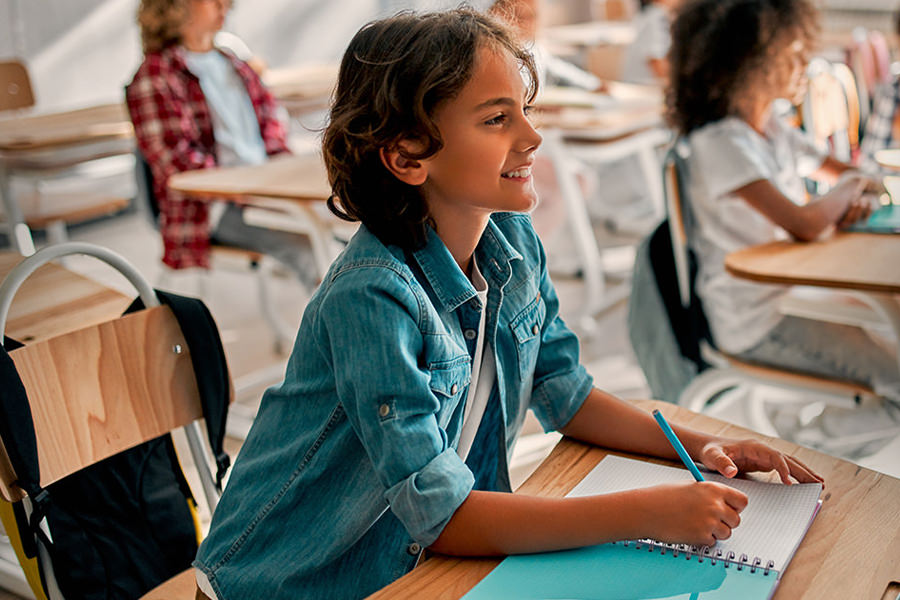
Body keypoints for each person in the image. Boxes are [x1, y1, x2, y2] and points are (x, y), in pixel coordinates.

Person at [193, 9, 822, 600]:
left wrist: (706, 447)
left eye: (524, 110)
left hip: (410, 558)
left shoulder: (511, 239)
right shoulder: (371, 295)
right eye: (497, 119)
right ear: (408, 155)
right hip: (291, 582)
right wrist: (650, 513)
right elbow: (443, 518)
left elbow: (565, 392)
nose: (532, 135)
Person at [666, 0, 899, 399]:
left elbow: (843, 175)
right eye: (791, 55)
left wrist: (853, 194)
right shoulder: (720, 145)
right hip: (758, 321)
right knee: (895, 373)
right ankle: (832, 443)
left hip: (795, 293)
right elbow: (805, 222)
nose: (804, 64)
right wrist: (849, 191)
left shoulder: (772, 127)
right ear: (747, 66)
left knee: (887, 325)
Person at [126, 0, 315, 284]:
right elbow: (178, 164)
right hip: (214, 208)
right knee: (310, 250)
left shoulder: (234, 65)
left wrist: (281, 174)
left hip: (264, 190)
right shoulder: (155, 76)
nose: (225, 5)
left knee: (347, 229)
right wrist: (246, 189)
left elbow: (272, 126)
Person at [621, 0, 678, 85]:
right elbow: (657, 63)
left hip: (637, 85)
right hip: (645, 87)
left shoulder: (648, 13)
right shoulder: (658, 17)